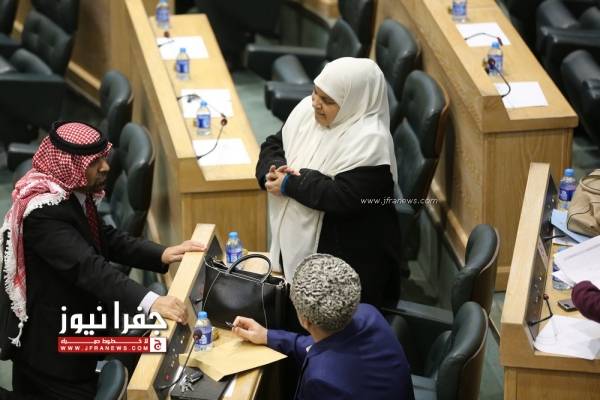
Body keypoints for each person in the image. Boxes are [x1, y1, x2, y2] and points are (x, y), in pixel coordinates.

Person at [0, 121, 205, 399]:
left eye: (103, 158)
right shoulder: (43, 213)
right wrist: (152, 302)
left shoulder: (69, 191)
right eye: (95, 162)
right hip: (52, 350)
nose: (106, 167)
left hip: (78, 323)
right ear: (70, 165)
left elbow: (104, 236)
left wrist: (162, 253)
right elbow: (88, 268)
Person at [256, 57, 403, 306]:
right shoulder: (306, 112)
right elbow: (274, 144)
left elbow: (343, 196)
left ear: (353, 102)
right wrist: (271, 171)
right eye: (315, 92)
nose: (315, 103)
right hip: (294, 246)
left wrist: (289, 184)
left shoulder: (370, 140)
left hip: (344, 264)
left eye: (328, 100)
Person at [232, 254, 414, 400]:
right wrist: (266, 335)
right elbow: (318, 345)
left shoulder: (322, 380)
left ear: (305, 321)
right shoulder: (368, 314)